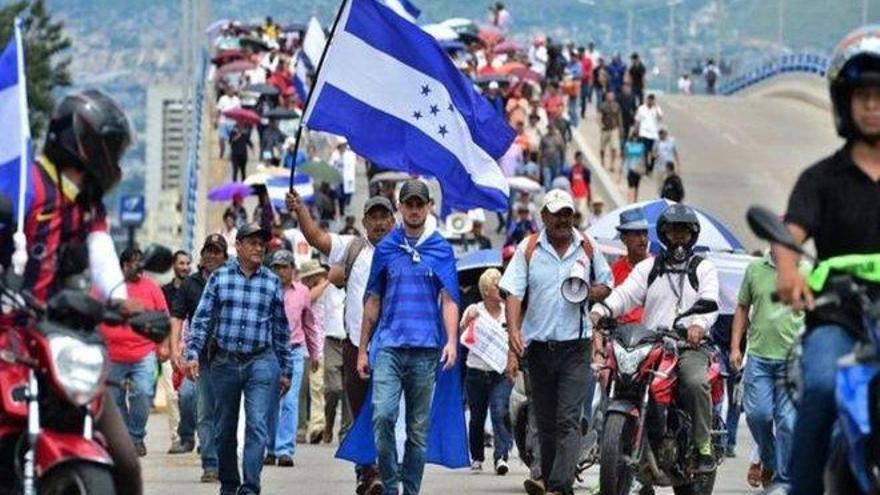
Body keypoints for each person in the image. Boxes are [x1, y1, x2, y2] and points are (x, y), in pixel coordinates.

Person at [0, 90, 145, 495]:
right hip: (6, 335)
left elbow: (100, 252)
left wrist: (118, 300)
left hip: (57, 338)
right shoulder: (25, 185)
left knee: (126, 459)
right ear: (85, 142)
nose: (114, 158)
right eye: (111, 147)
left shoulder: (88, 202)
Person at [765, 27, 880, 495]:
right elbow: (788, 236)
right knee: (822, 386)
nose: (872, 105)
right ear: (843, 103)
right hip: (840, 316)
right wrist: (790, 276)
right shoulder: (821, 179)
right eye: (863, 95)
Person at [590, 204, 720, 474]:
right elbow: (625, 295)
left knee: (694, 382)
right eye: (673, 232)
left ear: (692, 235)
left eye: (684, 232)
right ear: (663, 234)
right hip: (652, 345)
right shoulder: (649, 268)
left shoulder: (703, 268)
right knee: (621, 379)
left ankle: (703, 445)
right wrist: (601, 310)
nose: (679, 238)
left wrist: (698, 324)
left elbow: (711, 302)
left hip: (688, 346)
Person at [501, 189, 613, 495]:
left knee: (568, 419)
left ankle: (560, 487)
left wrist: (589, 293)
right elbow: (513, 292)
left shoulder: (587, 246)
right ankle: (551, 481)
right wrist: (513, 331)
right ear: (545, 217)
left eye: (568, 213)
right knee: (546, 421)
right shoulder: (529, 248)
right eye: (557, 214)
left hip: (575, 347)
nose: (564, 219)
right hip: (538, 349)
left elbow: (607, 283)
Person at [285, 191, 396, 494]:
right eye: (373, 217)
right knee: (361, 412)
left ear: (393, 220)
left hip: (395, 348)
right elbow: (316, 238)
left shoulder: (404, 249)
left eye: (384, 216)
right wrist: (300, 211)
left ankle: (388, 470)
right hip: (354, 346)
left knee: (386, 413)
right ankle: (367, 473)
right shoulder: (353, 248)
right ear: (364, 222)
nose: (379, 223)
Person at [357, 180, 461, 495]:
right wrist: (362, 349)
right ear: (400, 208)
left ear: (428, 207)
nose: (414, 210)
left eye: (420, 204)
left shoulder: (440, 249)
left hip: (426, 350)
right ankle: (390, 485)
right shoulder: (387, 248)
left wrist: (452, 341)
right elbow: (372, 300)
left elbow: (450, 298)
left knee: (417, 430)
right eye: (409, 204)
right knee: (383, 417)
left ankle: (411, 490)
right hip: (389, 346)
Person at [184, 223, 293, 495]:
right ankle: (230, 484)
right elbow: (202, 319)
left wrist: (286, 369)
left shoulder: (271, 282)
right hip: (225, 363)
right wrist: (193, 353)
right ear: (239, 246)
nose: (258, 248)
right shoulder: (219, 278)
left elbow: (281, 329)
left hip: (261, 362)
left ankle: (250, 487)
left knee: (257, 426)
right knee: (224, 429)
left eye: (261, 244)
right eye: (253, 243)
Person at [730, 251, 802, 487]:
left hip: (792, 361)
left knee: (787, 422)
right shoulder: (754, 269)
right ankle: (769, 460)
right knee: (757, 415)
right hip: (759, 358)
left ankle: (783, 481)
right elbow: (742, 308)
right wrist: (735, 348)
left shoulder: (807, 271)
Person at [169, 233, 229, 483]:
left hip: (230, 357)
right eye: (208, 251)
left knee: (226, 412)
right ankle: (210, 464)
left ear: (225, 256)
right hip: (201, 357)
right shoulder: (190, 284)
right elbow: (177, 316)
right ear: (202, 255)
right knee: (203, 410)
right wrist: (174, 349)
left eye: (217, 252)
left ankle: (224, 459)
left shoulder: (234, 279)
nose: (212, 256)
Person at [99, 247, 169, 457]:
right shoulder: (110, 288)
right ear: (123, 266)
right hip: (112, 355)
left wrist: (163, 345)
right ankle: (129, 439)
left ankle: (135, 437)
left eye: (141, 262)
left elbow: (164, 318)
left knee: (144, 393)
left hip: (144, 353)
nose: (139, 266)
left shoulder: (152, 287)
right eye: (134, 262)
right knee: (115, 400)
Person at [264, 251, 321, 468]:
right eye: (276, 267)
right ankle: (269, 448)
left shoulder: (303, 292)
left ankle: (284, 449)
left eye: (284, 267)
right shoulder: (266, 289)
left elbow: (309, 324)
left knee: (289, 402)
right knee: (269, 401)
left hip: (294, 351)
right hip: (268, 352)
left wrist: (315, 353)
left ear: (292, 269)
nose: (280, 271)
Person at [460, 268, 513, 475]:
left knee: (500, 411)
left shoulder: (509, 310)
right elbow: (463, 334)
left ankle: (501, 456)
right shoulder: (475, 309)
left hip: (500, 372)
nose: (500, 288)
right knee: (477, 416)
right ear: (486, 290)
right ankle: (477, 456)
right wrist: (468, 321)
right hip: (476, 371)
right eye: (495, 284)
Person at [161, 250, 193, 455]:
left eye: (187, 263)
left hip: (191, 348)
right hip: (168, 346)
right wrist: (166, 346)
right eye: (181, 263)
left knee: (189, 395)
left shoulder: (195, 287)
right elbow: (163, 319)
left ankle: (192, 434)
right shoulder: (164, 291)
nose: (185, 267)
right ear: (174, 265)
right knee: (173, 395)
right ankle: (178, 436)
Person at [610, 209, 650, 324]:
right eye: (637, 234)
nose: (643, 240)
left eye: (645, 234)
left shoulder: (658, 268)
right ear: (623, 238)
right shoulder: (614, 270)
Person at [635, 94, 663, 175]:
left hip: (654, 134)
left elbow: (660, 118)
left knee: (653, 152)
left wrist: (656, 107)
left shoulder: (657, 108)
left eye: (652, 100)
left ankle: (651, 167)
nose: (650, 102)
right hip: (644, 133)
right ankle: (647, 168)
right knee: (646, 151)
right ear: (647, 100)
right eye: (649, 100)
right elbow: (637, 120)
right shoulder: (641, 108)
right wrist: (636, 131)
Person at [598, 90, 623, 180]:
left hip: (613, 129)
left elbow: (619, 117)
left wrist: (620, 128)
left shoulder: (616, 106)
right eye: (609, 96)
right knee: (602, 147)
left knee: (614, 148)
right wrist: (600, 124)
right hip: (605, 129)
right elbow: (599, 115)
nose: (610, 97)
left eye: (611, 96)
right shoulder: (603, 105)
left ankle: (612, 164)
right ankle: (602, 161)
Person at [330, 137, 358, 216]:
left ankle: (345, 207)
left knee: (347, 194)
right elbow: (331, 164)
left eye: (344, 145)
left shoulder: (350, 154)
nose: (343, 147)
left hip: (348, 178)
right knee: (339, 195)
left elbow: (353, 165)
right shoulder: (335, 154)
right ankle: (341, 210)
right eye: (341, 145)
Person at [623, 131, 646, 203]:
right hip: (629, 167)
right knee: (630, 186)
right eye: (633, 137)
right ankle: (629, 201)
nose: (635, 138)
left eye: (636, 137)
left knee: (636, 186)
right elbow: (625, 155)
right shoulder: (628, 145)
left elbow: (643, 157)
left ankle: (635, 201)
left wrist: (643, 167)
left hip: (638, 168)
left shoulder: (641, 146)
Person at [569, 151, 591, 221]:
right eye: (578, 159)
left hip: (583, 195)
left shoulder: (586, 171)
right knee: (574, 214)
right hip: (574, 195)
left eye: (581, 159)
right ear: (575, 159)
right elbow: (570, 183)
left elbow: (588, 184)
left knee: (582, 213)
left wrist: (589, 197)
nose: (579, 160)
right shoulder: (571, 170)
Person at [579, 46, 594, 118]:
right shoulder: (577, 60)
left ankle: (583, 112)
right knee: (578, 97)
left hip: (585, 81)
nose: (580, 53)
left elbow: (590, 71)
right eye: (579, 52)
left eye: (581, 52)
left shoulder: (588, 60)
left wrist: (584, 75)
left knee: (584, 97)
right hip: (578, 81)